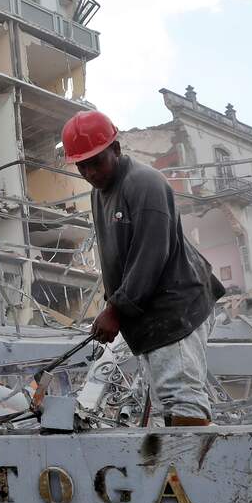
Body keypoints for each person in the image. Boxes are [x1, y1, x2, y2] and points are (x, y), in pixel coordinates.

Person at [62, 110, 225, 427]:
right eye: (82, 166)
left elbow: (152, 253)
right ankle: (186, 455)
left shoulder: (144, 183)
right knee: (167, 409)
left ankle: (206, 459)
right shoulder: (100, 193)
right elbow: (118, 257)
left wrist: (116, 309)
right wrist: (114, 307)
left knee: (182, 403)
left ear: (116, 149)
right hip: (152, 316)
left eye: (96, 162)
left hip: (175, 309)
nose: (90, 172)